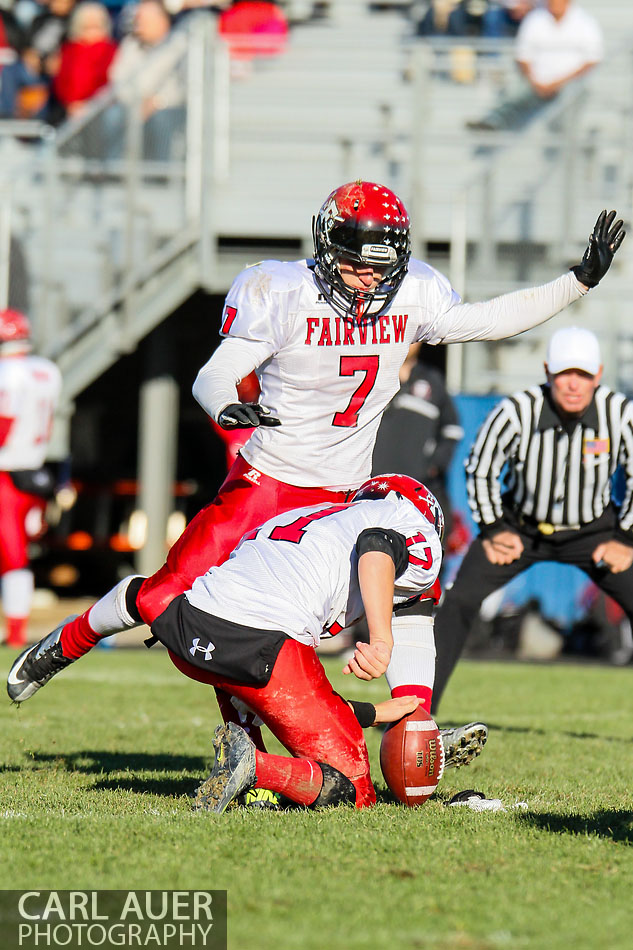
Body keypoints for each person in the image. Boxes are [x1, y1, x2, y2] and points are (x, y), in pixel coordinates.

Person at [7, 184, 623, 765]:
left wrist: (578, 281)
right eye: (359, 264)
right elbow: (213, 375)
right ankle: (63, 645)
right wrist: (226, 408)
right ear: (328, 249)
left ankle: (406, 726)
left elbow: (490, 319)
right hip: (267, 483)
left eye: (384, 266)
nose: (372, 279)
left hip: (343, 497)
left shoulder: (413, 294)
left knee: (352, 615)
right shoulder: (280, 291)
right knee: (168, 597)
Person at [431, 325, 633, 712]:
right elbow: (480, 467)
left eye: (584, 375)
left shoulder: (619, 414)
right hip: (520, 529)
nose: (574, 385)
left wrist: (625, 538)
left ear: (599, 375)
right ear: (547, 372)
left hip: (593, 531)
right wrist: (492, 529)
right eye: (564, 374)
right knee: (458, 603)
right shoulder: (517, 411)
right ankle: (419, 714)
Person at [0, 309, 62, 648]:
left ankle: (16, 633)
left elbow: (4, 423)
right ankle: (16, 631)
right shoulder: (46, 371)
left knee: (12, 555)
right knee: (17, 554)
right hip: (35, 470)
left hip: (7, 472)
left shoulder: (9, 373)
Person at [371, 342, 463, 539]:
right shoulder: (372, 374)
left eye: (413, 338)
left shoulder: (432, 380)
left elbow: (452, 429)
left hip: (416, 488)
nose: (407, 343)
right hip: (373, 488)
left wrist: (435, 465)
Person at [467, 0, 602, 131]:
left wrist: (557, 83)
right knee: (515, 90)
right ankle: (494, 121)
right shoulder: (536, 19)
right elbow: (523, 55)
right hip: (536, 81)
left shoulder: (585, 22)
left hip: (568, 82)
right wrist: (534, 81)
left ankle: (564, 135)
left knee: (572, 97)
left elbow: (591, 60)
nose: (554, 4)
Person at [51, 2, 117, 120]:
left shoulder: (110, 50)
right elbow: (61, 80)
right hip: (70, 109)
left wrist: (87, 105)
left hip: (98, 109)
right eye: (86, 27)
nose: (91, 31)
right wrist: (71, 103)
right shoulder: (69, 50)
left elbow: (106, 81)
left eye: (95, 26)